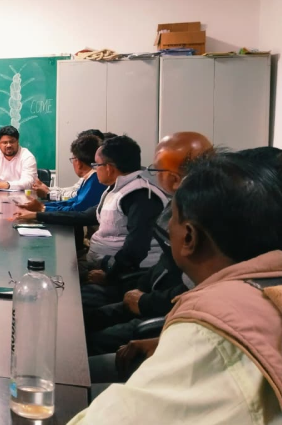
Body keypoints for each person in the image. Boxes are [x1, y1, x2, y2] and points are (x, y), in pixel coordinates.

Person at [62, 153, 282, 425]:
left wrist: (188, 339)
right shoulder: (267, 286)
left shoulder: (214, 327)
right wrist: (166, 342)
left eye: (173, 219)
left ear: (189, 237)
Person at [85, 132, 213, 355]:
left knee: (90, 337)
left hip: (168, 312)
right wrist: (142, 289)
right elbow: (166, 262)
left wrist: (144, 300)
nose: (150, 175)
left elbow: (193, 289)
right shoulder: (182, 205)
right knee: (88, 318)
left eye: (155, 170)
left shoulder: (200, 220)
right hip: (151, 291)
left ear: (174, 179)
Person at [14, 136, 167, 288]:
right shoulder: (118, 189)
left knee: (54, 281)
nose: (94, 169)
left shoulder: (140, 195)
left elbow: (136, 247)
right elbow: (85, 216)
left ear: (109, 168)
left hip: (123, 277)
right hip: (102, 266)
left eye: (96, 165)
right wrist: (38, 215)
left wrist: (110, 274)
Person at [24, 134, 105, 213]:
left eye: (73, 159)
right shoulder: (88, 179)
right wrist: (43, 206)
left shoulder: (95, 181)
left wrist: (43, 208)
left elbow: (75, 210)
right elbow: (71, 202)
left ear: (78, 162)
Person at [0, 125, 37, 191]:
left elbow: (28, 182)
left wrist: (7, 185)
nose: (8, 145)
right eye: (5, 142)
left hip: (23, 195)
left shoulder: (27, 156)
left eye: (12, 142)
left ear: (17, 142)